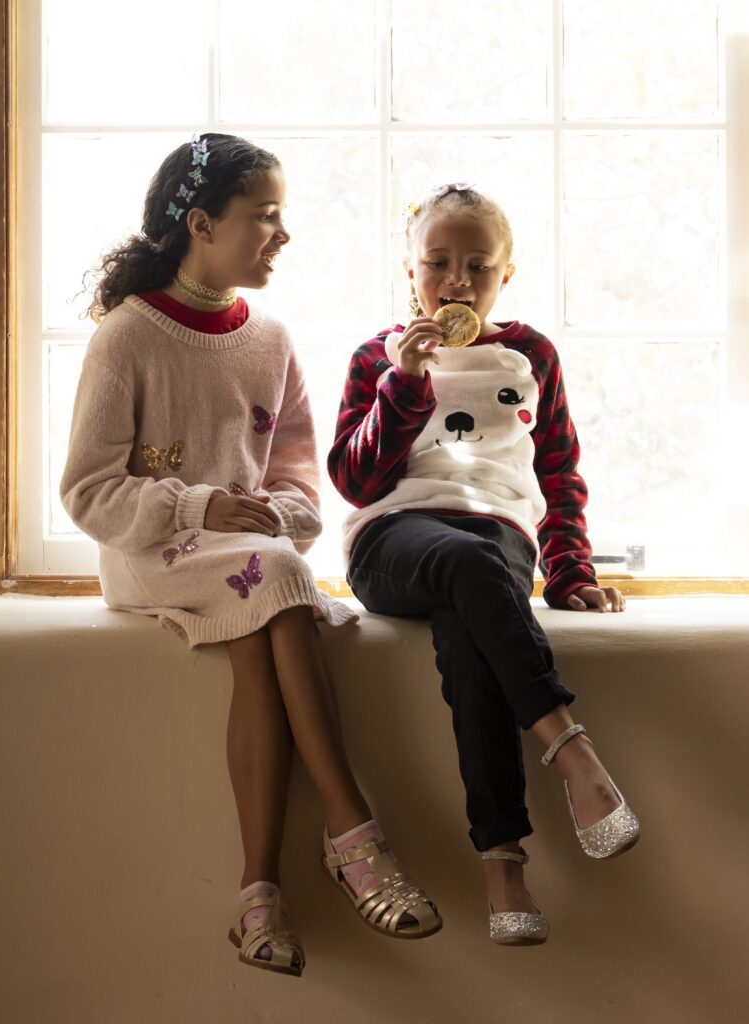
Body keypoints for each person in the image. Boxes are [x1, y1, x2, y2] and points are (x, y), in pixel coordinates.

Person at [60, 133, 442, 978]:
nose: (282, 233)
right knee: (275, 578)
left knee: (262, 626)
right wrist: (199, 505)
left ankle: (258, 897)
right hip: (150, 552)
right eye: (263, 216)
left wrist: (268, 513)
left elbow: (302, 484)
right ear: (200, 222)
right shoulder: (126, 338)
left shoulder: (268, 337)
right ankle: (352, 832)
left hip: (247, 563)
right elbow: (88, 493)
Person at [328, 183, 640, 947]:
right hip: (393, 540)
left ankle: (501, 862)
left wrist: (567, 572)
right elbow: (354, 479)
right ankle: (575, 757)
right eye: (437, 264)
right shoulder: (379, 356)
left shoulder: (528, 354)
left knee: (471, 643)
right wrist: (404, 384)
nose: (456, 282)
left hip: (496, 534)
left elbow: (558, 471)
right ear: (410, 272)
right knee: (465, 566)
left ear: (506, 274)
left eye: (477, 266)